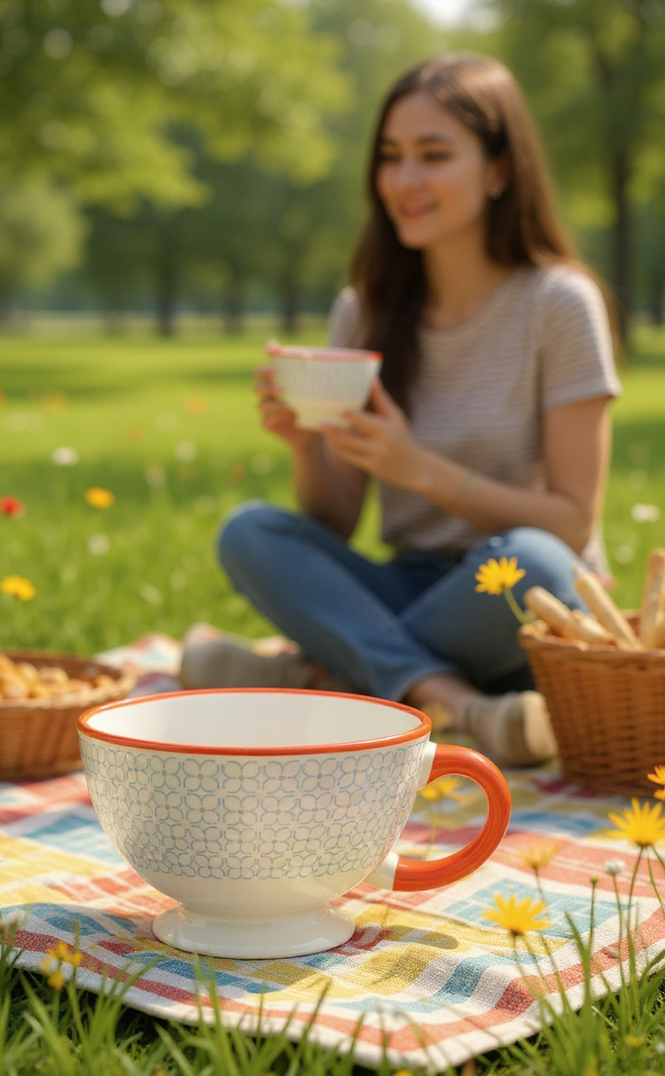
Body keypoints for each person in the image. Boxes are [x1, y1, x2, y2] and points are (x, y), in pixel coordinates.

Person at [180, 52, 621, 768]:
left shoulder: (558, 305)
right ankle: (457, 704)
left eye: (433, 155)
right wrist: (305, 445)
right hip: (408, 584)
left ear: (499, 170)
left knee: (541, 561)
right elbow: (333, 521)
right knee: (250, 532)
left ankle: (317, 677)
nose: (404, 180)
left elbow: (572, 523)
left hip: (516, 599)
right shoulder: (364, 311)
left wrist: (422, 472)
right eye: (391, 156)